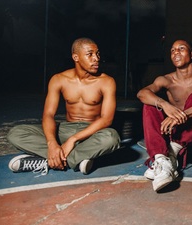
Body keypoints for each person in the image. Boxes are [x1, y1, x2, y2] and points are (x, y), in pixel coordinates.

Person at [7, 37, 121, 175]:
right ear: (76, 57)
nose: (96, 58)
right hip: (66, 129)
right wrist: (52, 144)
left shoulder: (107, 81)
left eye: (97, 54)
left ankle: (48, 162)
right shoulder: (59, 79)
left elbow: (106, 120)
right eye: (90, 54)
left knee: (112, 138)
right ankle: (76, 158)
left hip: (92, 132)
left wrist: (73, 140)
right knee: (16, 133)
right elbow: (48, 115)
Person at [137, 39, 192, 192]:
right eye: (173, 50)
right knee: (150, 103)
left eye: (181, 48)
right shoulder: (166, 80)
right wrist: (164, 104)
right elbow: (142, 93)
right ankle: (162, 159)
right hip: (172, 133)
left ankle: (170, 154)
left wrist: (181, 115)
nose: (176, 52)